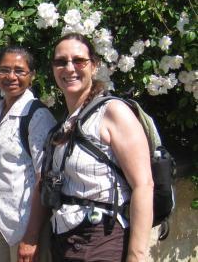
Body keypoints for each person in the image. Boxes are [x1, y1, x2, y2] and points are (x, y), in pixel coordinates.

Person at [45, 33, 153, 261]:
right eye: (61, 61)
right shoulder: (67, 122)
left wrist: (136, 255)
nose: (69, 68)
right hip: (65, 239)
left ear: (94, 66)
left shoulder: (113, 111)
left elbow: (143, 185)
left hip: (102, 237)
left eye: (79, 60)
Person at [0, 46, 57, 262]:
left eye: (19, 71)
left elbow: (43, 178)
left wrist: (31, 237)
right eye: (4, 70)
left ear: (32, 76)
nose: (11, 77)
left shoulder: (37, 116)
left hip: (24, 226)